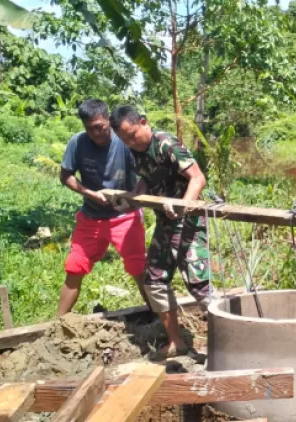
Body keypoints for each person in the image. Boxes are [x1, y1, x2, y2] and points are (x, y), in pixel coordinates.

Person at [110, 105, 211, 357]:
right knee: (154, 280)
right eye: (124, 139)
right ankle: (177, 341)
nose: (130, 142)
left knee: (199, 285)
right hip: (165, 223)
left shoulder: (166, 143)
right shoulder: (137, 152)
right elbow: (148, 178)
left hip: (188, 222)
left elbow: (197, 178)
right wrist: (133, 196)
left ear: (143, 122)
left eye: (132, 135)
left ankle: (232, 338)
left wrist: (182, 206)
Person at [58, 99, 148, 316]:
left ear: (108, 119)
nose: (96, 134)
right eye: (90, 129)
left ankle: (157, 316)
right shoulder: (77, 143)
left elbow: (147, 173)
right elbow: (65, 175)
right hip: (91, 217)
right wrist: (89, 193)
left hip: (125, 217)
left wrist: (132, 198)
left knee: (139, 268)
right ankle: (57, 325)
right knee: (75, 266)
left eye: (100, 127)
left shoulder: (125, 140)